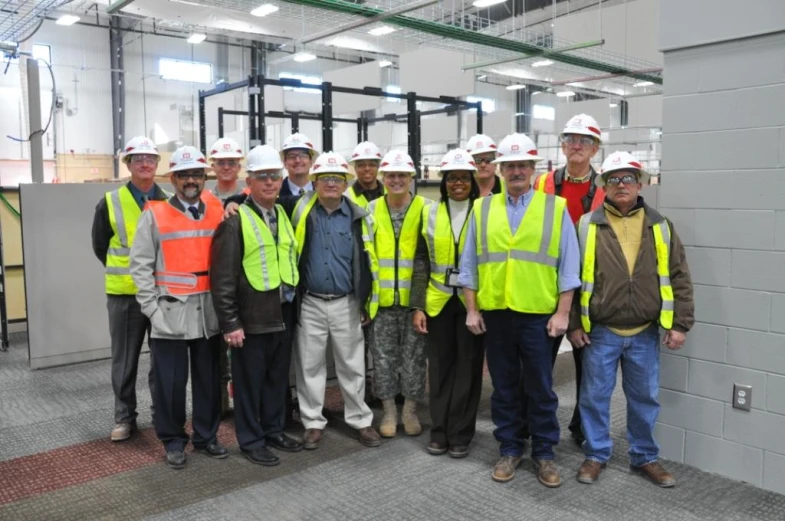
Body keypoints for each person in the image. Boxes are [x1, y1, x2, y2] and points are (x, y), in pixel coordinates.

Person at [458, 133, 581, 488]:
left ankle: (544, 453)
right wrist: (472, 309)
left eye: (522, 165)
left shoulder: (555, 208)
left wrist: (562, 314)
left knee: (541, 387)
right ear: (501, 169)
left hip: (538, 316)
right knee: (504, 387)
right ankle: (510, 448)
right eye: (509, 165)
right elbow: (470, 265)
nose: (516, 171)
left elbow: (569, 268)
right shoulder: (482, 208)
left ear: (533, 168)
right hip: (496, 314)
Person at [568, 151, 694, 488]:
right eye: (613, 179)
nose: (621, 184)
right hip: (601, 331)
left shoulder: (661, 226)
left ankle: (645, 456)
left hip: (645, 331)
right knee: (593, 397)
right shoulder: (586, 226)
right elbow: (570, 278)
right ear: (604, 186)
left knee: (644, 398)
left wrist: (680, 324)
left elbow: (679, 276)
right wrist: (574, 324)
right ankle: (595, 454)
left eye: (627, 178)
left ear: (639, 184)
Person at [129, 146, 226, 469]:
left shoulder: (217, 208)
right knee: (170, 383)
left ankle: (206, 436)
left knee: (209, 379)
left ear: (203, 178)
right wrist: (151, 310)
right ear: (173, 179)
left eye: (196, 174)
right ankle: (172, 440)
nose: (191, 180)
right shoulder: (154, 214)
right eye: (184, 175)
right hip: (169, 312)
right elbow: (139, 266)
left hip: (208, 313)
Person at [210, 145, 304, 466]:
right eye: (262, 177)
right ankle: (251, 440)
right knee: (248, 384)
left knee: (276, 379)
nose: (270, 183)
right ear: (249, 180)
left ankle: (274, 429)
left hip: (282, 313)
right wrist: (231, 323)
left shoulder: (281, 214)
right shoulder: (235, 221)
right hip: (251, 320)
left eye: (274, 177)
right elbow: (222, 279)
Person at [291, 151, 382, 450]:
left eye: (337, 179)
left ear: (345, 183)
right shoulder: (301, 212)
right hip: (311, 302)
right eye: (325, 178)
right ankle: (313, 422)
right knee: (310, 366)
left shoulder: (360, 216)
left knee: (352, 364)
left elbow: (371, 262)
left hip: (346, 302)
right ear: (314, 182)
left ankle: (360, 421)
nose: (331, 183)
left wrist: (366, 301)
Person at [531, 113, 606, 446]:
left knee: (588, 365)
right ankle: (538, 424)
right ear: (562, 145)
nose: (577, 146)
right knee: (539, 363)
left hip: (590, 288)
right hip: (547, 285)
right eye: (571, 140)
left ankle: (582, 427)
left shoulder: (607, 186)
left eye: (584, 141)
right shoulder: (543, 183)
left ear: (595, 149)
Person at [91, 136, 168, 442]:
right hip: (125, 294)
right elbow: (100, 246)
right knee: (125, 361)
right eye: (138, 159)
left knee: (162, 360)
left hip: (162, 294)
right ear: (128, 165)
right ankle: (124, 417)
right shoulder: (109, 202)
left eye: (150, 158)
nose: (145, 163)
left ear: (157, 164)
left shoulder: (169, 201)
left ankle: (161, 412)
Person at [411, 149, 483, 458]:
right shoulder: (429, 213)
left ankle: (461, 433)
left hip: (473, 303)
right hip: (438, 301)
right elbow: (421, 261)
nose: (458, 183)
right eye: (452, 178)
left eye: (464, 178)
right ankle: (439, 430)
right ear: (444, 181)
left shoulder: (484, 211)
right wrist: (418, 306)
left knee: (468, 368)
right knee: (439, 370)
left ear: (472, 181)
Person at [367, 150, 429, 438]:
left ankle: (410, 411)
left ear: (411, 177)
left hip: (413, 303)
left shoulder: (426, 209)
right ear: (383, 178)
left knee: (414, 358)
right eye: (391, 175)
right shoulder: (370, 210)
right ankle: (389, 411)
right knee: (382, 359)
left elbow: (428, 259)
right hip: (380, 303)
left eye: (402, 175)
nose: (396, 180)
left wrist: (421, 303)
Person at [346, 141, 386, 208]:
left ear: (378, 167)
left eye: (372, 164)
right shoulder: (346, 197)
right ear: (355, 168)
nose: (367, 169)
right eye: (361, 165)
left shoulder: (390, 194)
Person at [279, 133, 318, 197]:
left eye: (303, 155)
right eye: (291, 156)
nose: (297, 160)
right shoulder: (275, 193)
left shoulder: (322, 192)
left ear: (311, 161)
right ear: (284, 162)